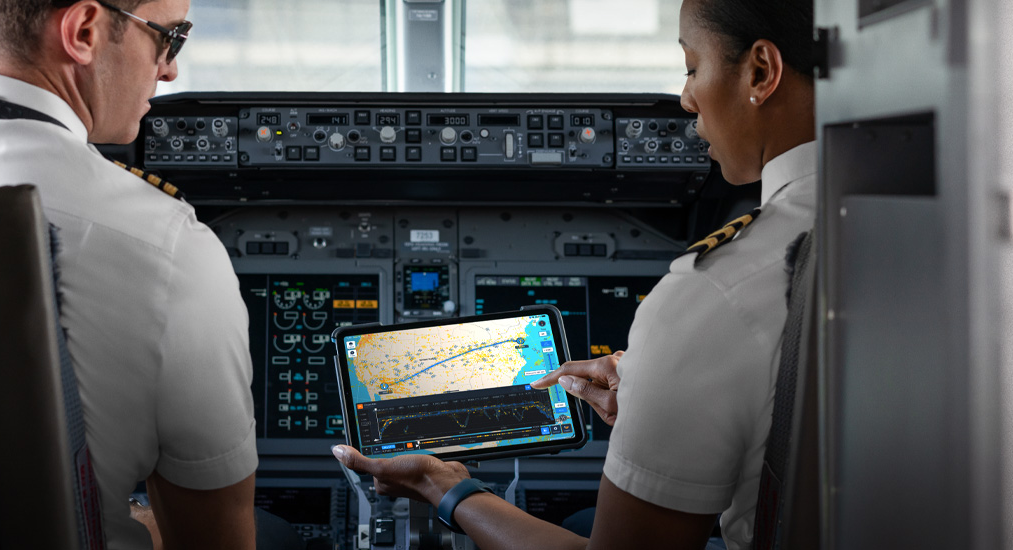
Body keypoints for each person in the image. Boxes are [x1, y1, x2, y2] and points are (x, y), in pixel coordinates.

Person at [331, 0, 817, 548]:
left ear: (760, 71)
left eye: (690, 67)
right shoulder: (914, 236)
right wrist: (658, 385)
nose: (685, 98)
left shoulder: (709, 292)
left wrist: (446, 486)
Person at [0, 1, 259, 548]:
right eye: (171, 37)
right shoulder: (168, 246)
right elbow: (215, 538)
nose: (170, 69)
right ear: (83, 31)